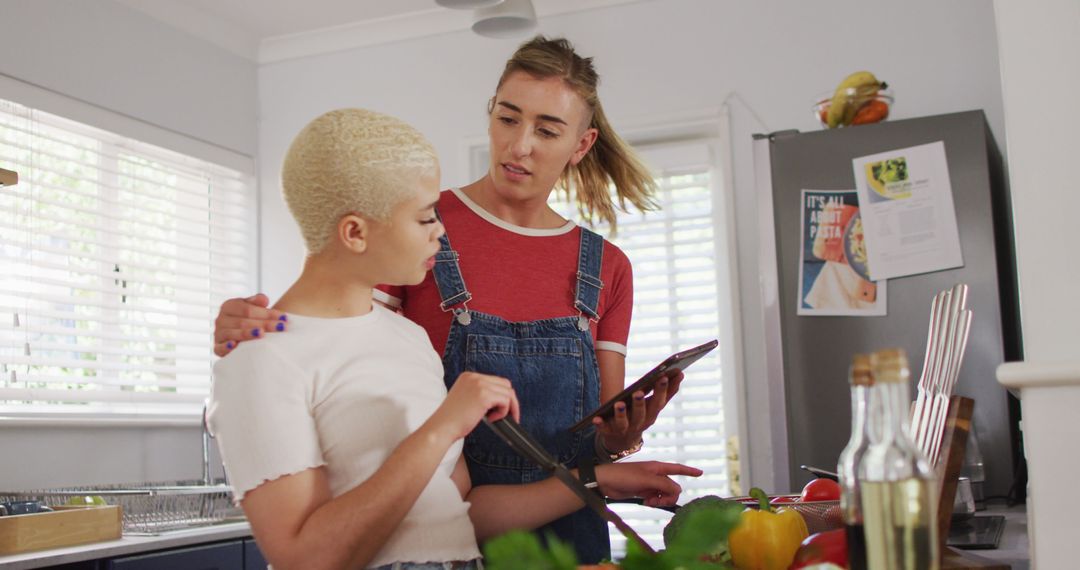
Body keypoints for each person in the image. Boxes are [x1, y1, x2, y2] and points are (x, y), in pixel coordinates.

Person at [213, 36, 681, 563]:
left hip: (560, 529)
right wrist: (254, 326)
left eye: (547, 130)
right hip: (423, 528)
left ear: (580, 144)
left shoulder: (607, 267)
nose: (519, 145)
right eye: (508, 119)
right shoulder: (413, 233)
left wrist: (623, 439)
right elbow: (336, 327)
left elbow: (595, 442)